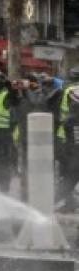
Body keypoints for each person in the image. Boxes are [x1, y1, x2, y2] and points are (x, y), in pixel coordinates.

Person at [56, 67, 79, 211]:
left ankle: (46, 204)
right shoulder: (73, 92)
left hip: (66, 137)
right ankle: (43, 206)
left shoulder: (69, 91)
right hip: (71, 138)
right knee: (71, 174)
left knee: (69, 175)